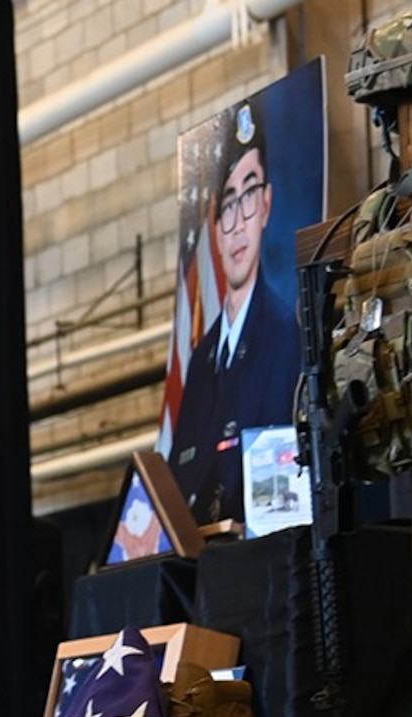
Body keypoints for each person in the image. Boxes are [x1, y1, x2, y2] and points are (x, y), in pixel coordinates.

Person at [170, 97, 305, 524]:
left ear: (266, 205)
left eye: (248, 196)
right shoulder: (202, 357)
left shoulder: (287, 336)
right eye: (228, 203)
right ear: (213, 221)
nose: (237, 224)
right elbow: (178, 486)